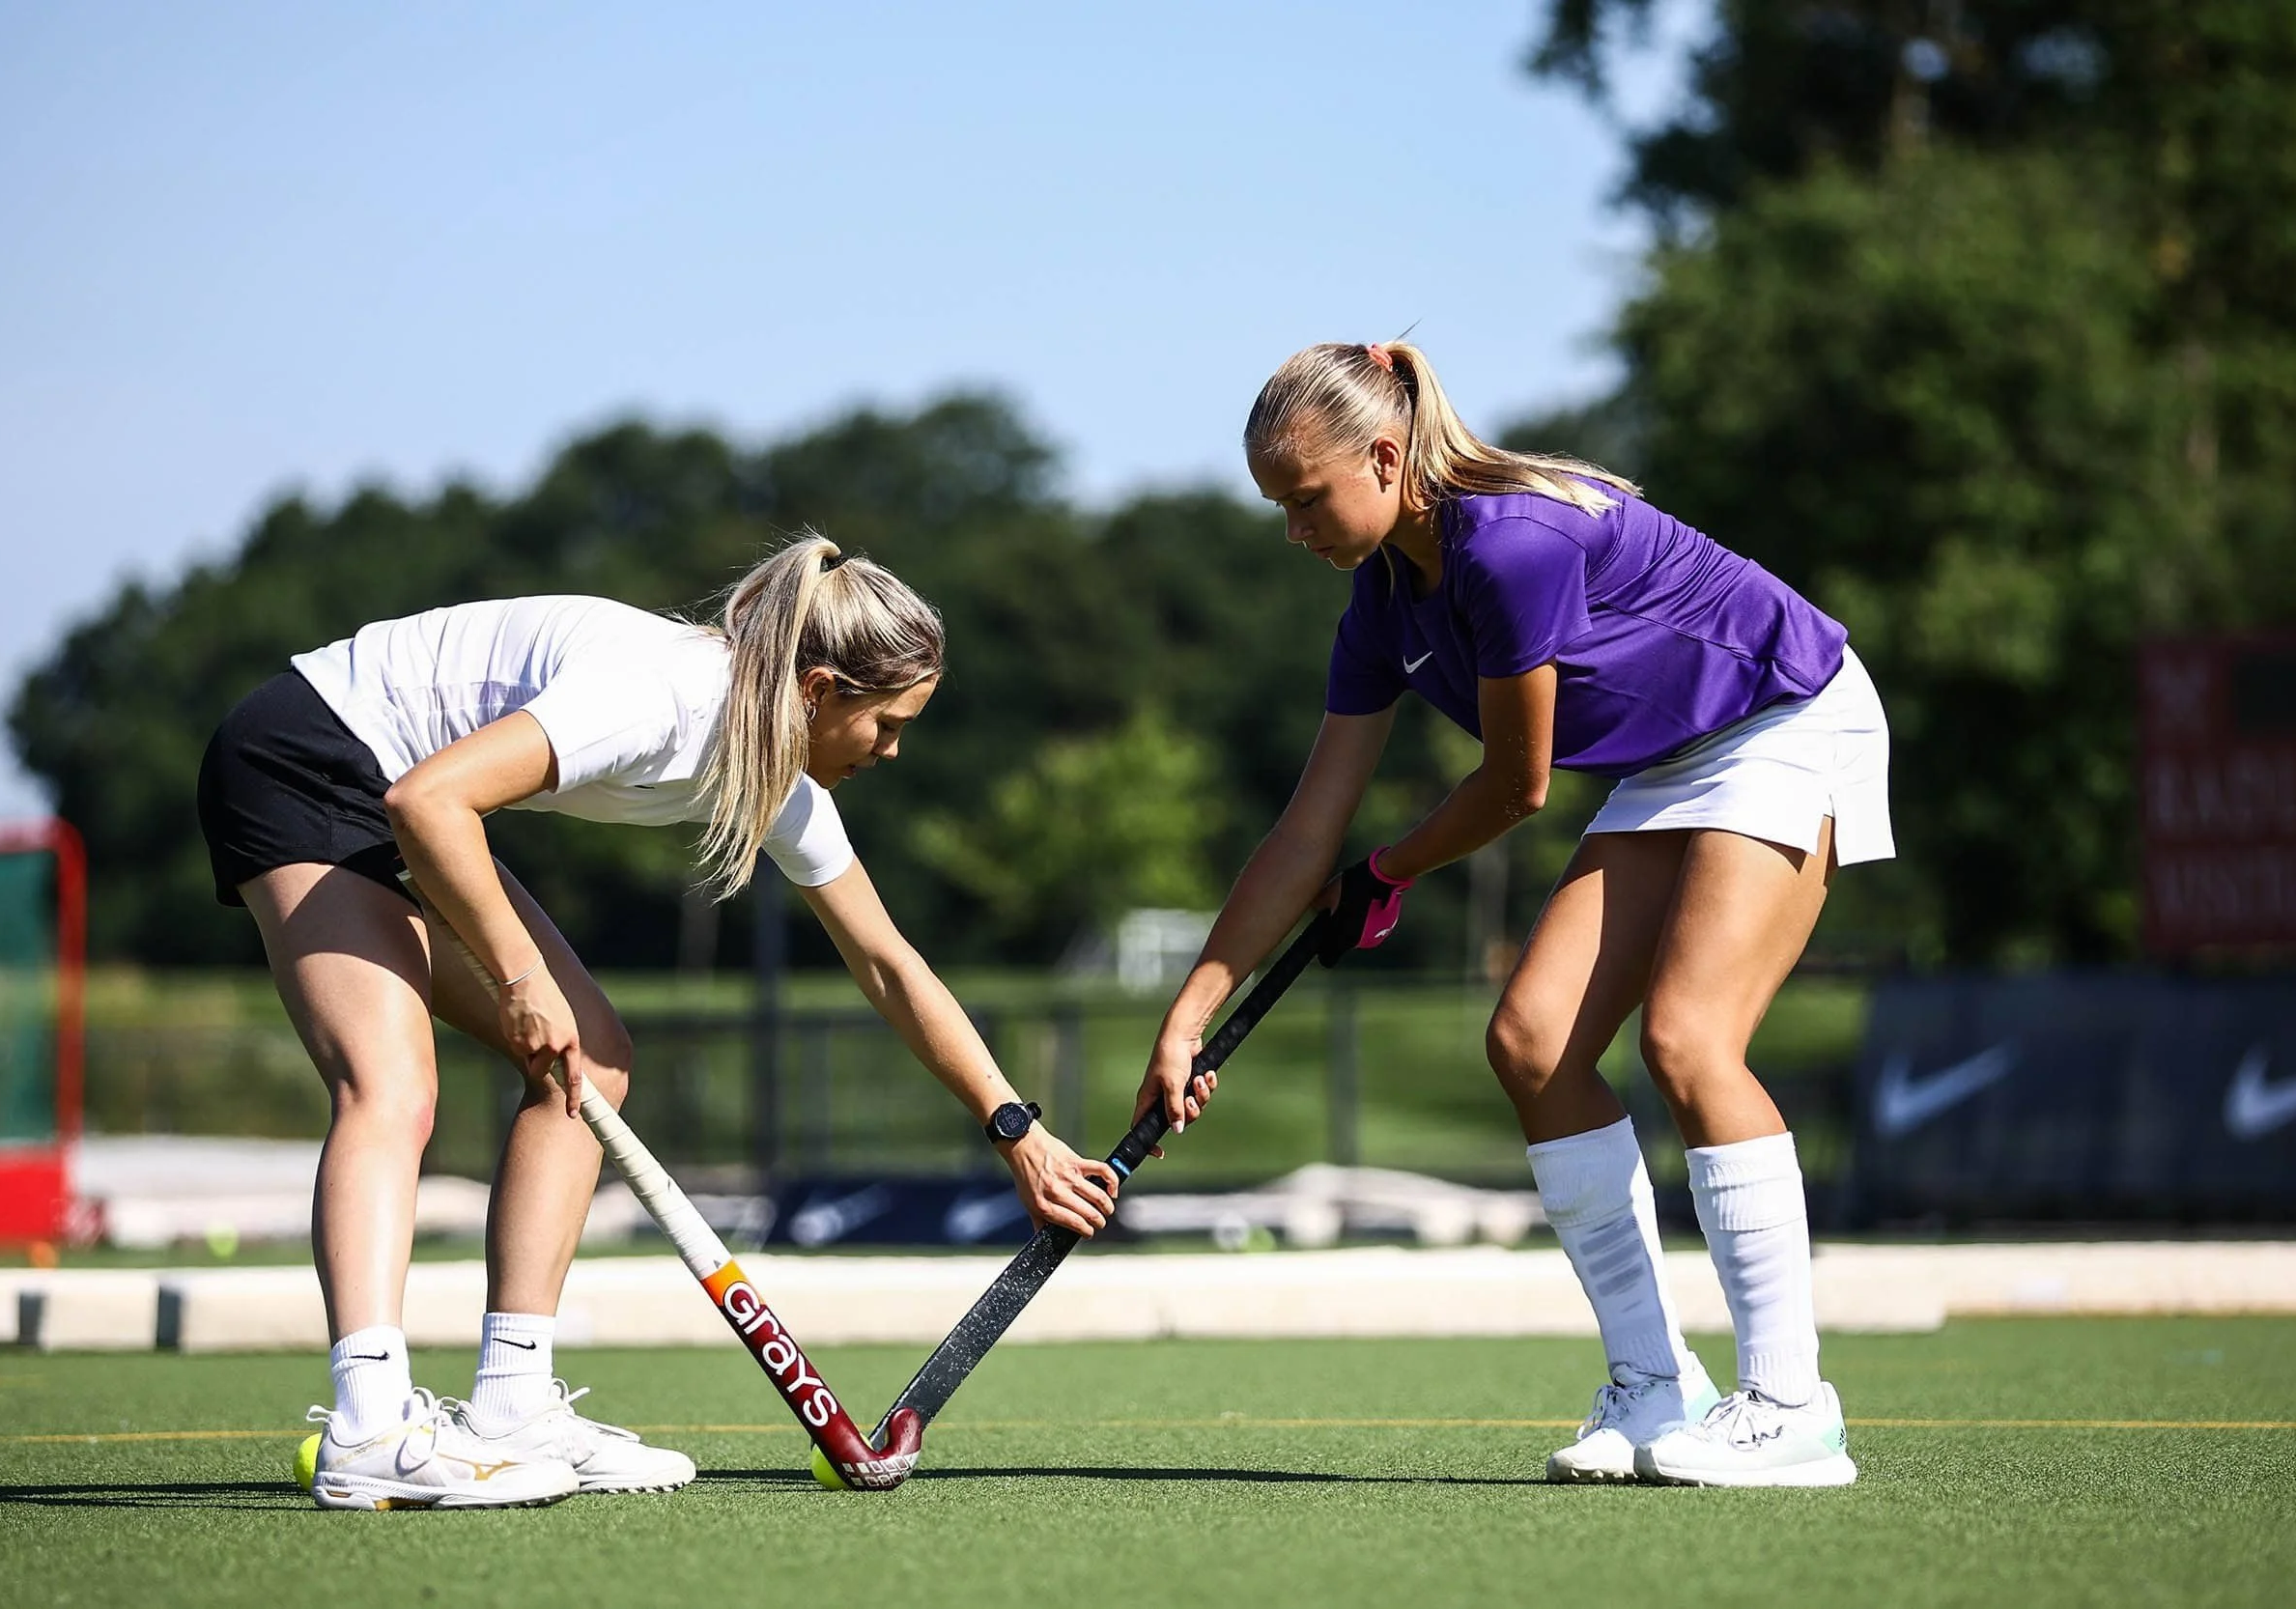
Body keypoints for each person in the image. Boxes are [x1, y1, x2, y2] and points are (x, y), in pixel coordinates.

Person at [198, 537, 1119, 1510]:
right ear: (816, 689)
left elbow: (889, 964)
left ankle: (510, 1404)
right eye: (885, 724)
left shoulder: (778, 778)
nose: (890, 750)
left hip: (399, 797)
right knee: (391, 1085)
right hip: (307, 761)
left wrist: (1015, 1129)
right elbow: (429, 798)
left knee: (592, 1063)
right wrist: (519, 974)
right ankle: (369, 1425)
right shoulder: (667, 697)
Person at [1134, 341, 1888, 1488]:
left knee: (1688, 1041)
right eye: (1276, 509)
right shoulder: (1380, 603)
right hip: (1675, 757)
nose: (1293, 531)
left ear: (1384, 458)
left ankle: (1791, 1404)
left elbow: (1514, 788)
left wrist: (1386, 871)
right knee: (1532, 1044)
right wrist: (1190, 1012)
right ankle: (1651, 1385)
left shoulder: (1507, 544)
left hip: (1784, 715)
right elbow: (1303, 830)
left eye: (1304, 500)